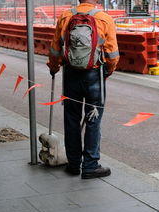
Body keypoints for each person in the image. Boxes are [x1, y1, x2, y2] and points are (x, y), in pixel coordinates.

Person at [47, 0, 119, 179]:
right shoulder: (104, 18)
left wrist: (54, 67)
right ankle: (90, 165)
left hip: (70, 74)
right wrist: (107, 71)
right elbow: (112, 54)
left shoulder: (65, 16)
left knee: (71, 118)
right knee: (93, 119)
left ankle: (73, 164)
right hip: (94, 74)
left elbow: (56, 48)